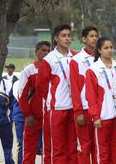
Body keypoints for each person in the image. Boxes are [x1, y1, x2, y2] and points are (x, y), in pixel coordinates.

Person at [36, 24, 77, 164]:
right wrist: (53, 99)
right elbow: (41, 85)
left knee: (73, 147)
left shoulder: (76, 57)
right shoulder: (49, 59)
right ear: (56, 38)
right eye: (63, 36)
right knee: (56, 149)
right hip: (56, 109)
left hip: (74, 108)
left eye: (69, 35)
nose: (67, 39)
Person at [85, 37, 116, 164]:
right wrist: (95, 116)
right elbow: (90, 96)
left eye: (111, 47)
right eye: (106, 48)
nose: (109, 50)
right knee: (103, 152)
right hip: (103, 116)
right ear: (99, 50)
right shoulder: (93, 70)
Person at [18, 41, 51, 163]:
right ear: (36, 52)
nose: (46, 53)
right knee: (29, 149)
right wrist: (27, 114)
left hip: (50, 115)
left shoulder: (53, 68)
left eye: (48, 51)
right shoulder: (28, 70)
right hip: (33, 116)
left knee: (49, 149)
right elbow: (21, 94)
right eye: (43, 50)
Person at [69, 26, 98, 164]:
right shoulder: (76, 60)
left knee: (98, 148)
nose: (94, 39)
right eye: (91, 36)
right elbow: (74, 88)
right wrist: (78, 111)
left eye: (96, 36)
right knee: (84, 147)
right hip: (84, 110)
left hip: (100, 110)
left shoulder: (101, 57)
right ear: (84, 39)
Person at [0, 75, 15, 164]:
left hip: (4, 120)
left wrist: (11, 119)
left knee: (7, 147)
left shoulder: (7, 84)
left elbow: (12, 104)